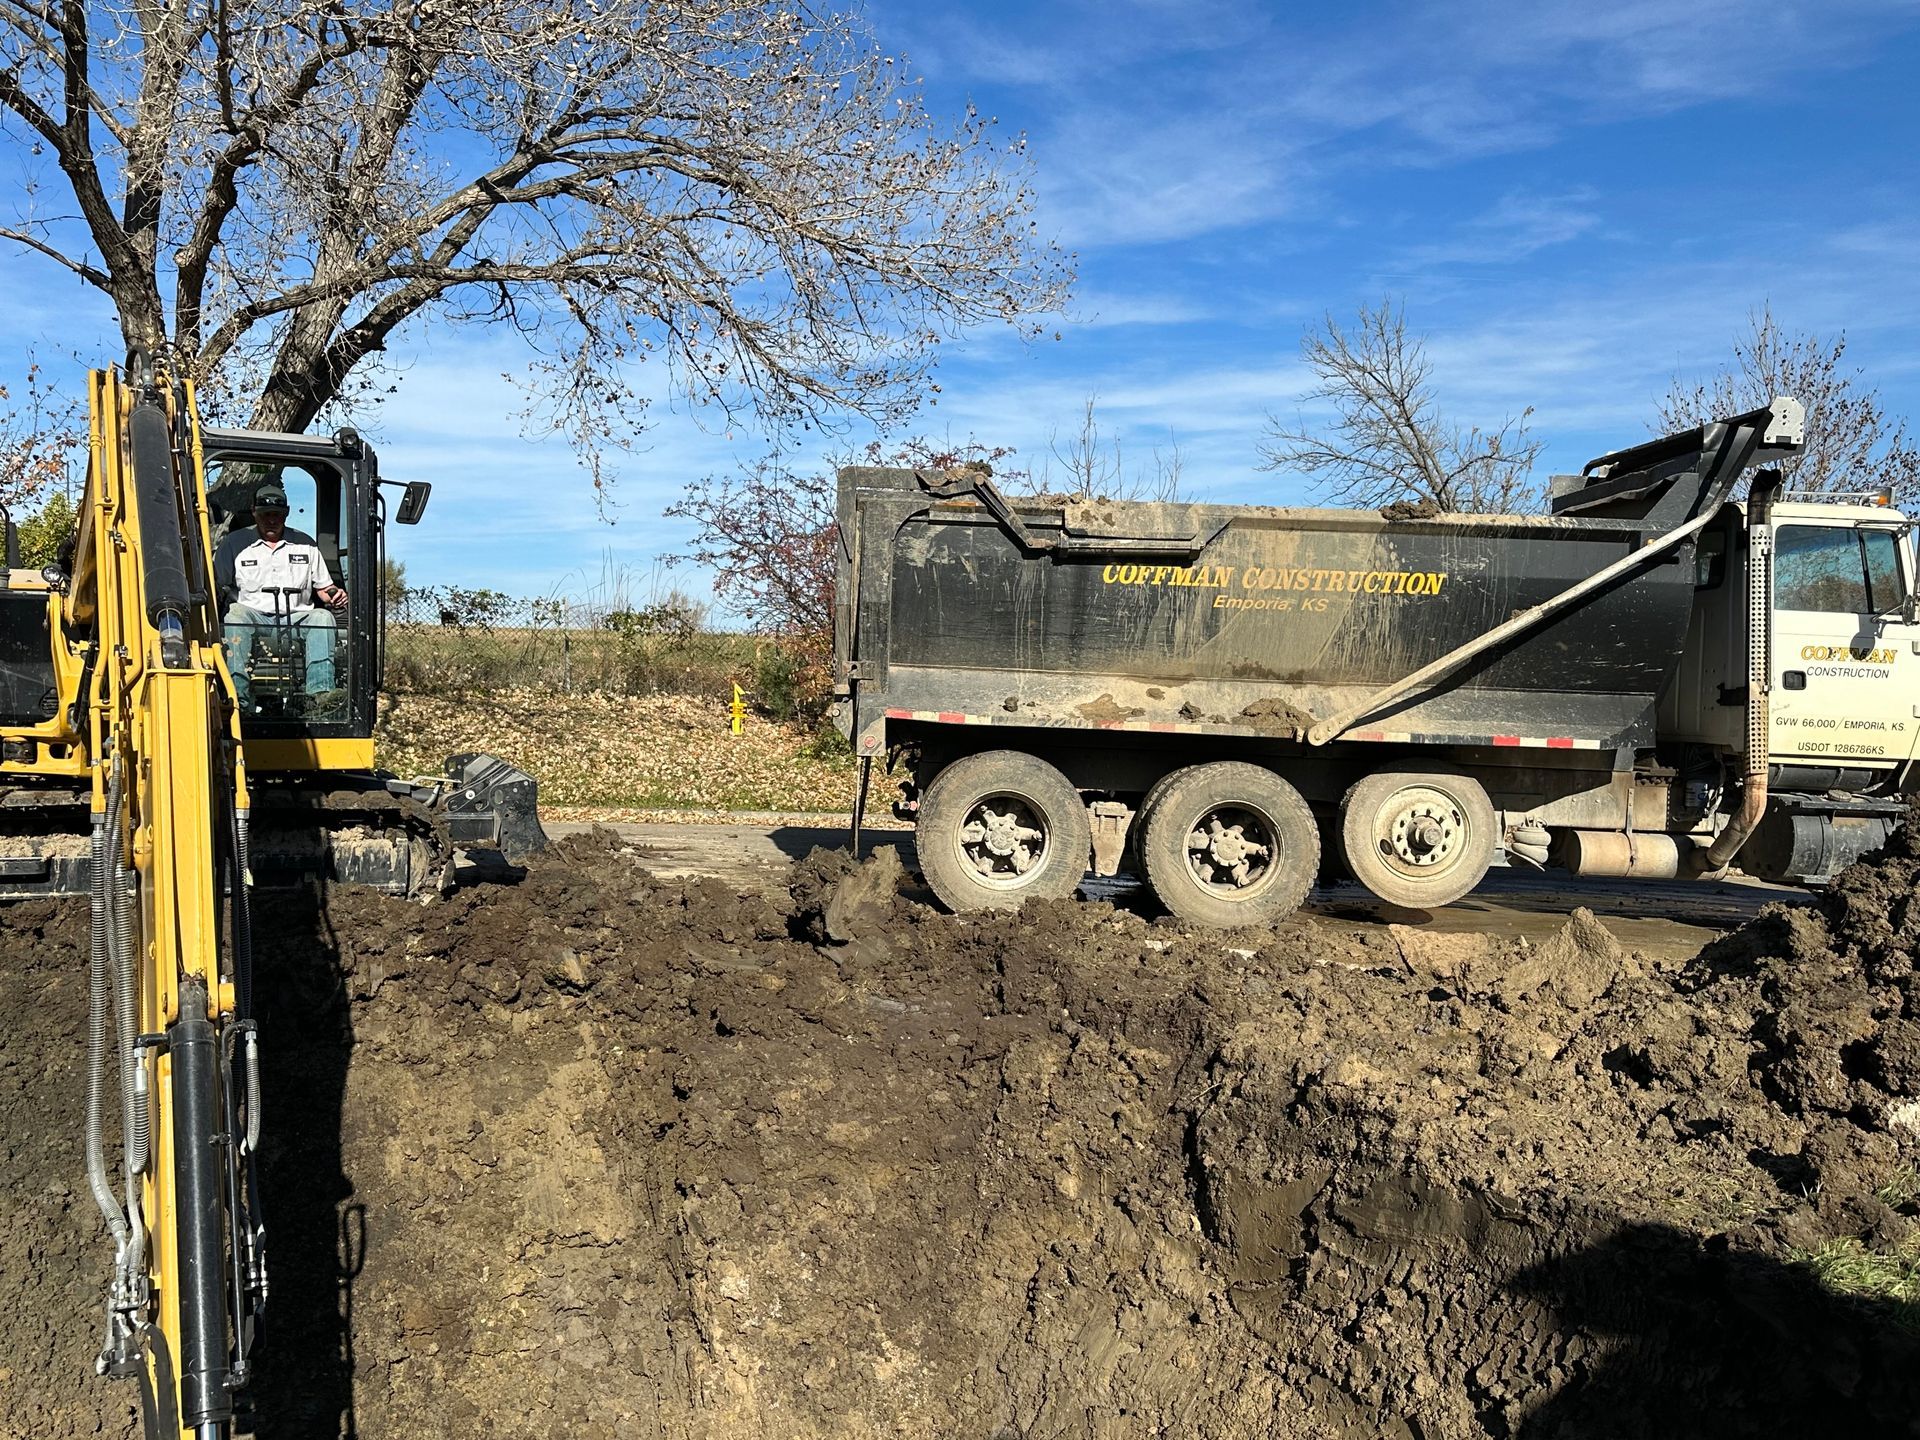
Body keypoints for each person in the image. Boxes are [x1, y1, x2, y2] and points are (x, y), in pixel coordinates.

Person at [213, 482, 347, 711]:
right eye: (266, 515)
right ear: (254, 513)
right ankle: (237, 700)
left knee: (322, 617)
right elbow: (215, 582)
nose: (272, 520)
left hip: (295, 618)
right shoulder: (234, 544)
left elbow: (324, 588)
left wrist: (335, 595)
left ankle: (320, 695)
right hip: (254, 617)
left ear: (286, 514)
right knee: (236, 614)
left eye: (277, 515)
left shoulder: (305, 545)